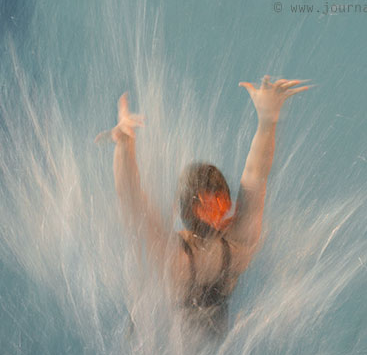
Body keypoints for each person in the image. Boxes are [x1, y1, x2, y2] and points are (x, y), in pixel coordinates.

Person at [95, 77, 311, 338]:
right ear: (186, 211)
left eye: (222, 202)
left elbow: (255, 177)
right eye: (206, 205)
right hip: (151, 347)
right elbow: (131, 200)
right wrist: (124, 146)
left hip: (210, 354)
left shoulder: (239, 246)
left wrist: (268, 121)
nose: (217, 211)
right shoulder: (172, 257)